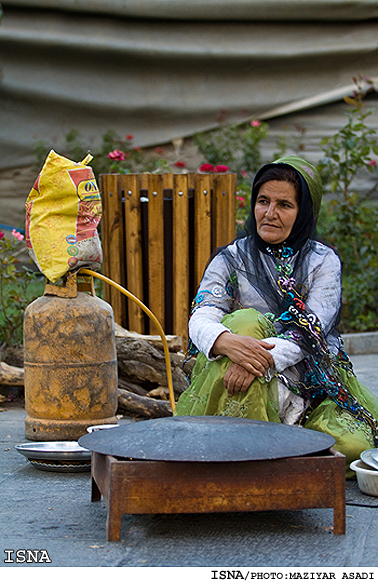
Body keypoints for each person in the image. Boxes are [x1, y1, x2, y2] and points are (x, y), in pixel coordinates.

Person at [174, 155, 378, 477]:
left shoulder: (322, 261)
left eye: (284, 205)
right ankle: (261, 451)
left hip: (304, 374)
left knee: (352, 449)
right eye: (263, 201)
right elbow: (202, 314)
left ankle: (282, 425)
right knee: (244, 321)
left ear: (304, 212)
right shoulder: (232, 258)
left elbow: (313, 328)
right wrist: (226, 343)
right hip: (233, 364)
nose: (270, 214)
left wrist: (255, 360)